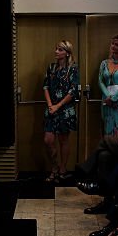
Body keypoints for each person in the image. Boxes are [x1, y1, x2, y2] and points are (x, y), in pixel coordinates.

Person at [42, 40, 80, 183]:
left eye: (60, 49)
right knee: (48, 140)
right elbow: (45, 86)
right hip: (51, 109)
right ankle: (54, 167)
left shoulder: (73, 69)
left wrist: (58, 106)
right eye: (56, 49)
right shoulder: (51, 67)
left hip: (65, 109)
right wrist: (51, 105)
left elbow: (73, 91)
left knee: (63, 140)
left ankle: (62, 169)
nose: (56, 51)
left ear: (67, 53)